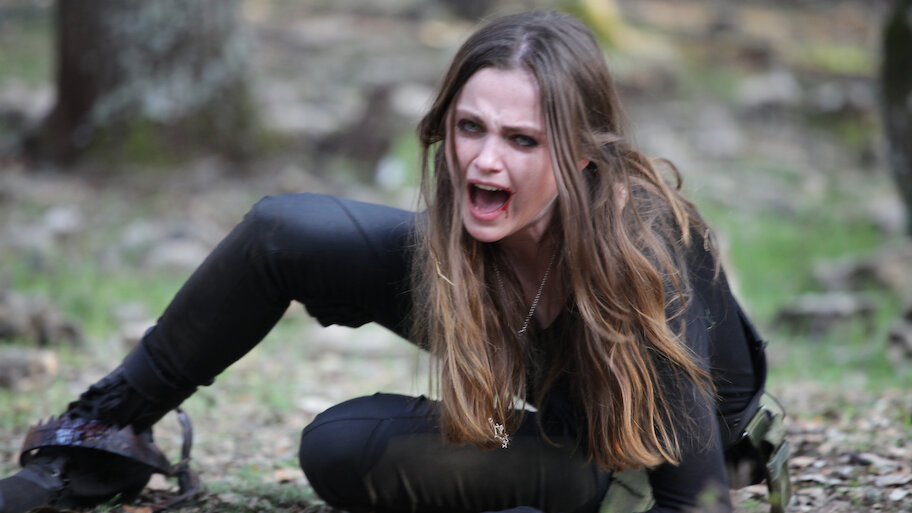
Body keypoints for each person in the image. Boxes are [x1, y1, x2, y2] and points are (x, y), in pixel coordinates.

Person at [0, 11, 784, 513]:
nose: (484, 161)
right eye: (470, 128)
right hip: (554, 385)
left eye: (522, 140)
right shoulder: (479, 225)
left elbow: (697, 497)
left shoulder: (643, 252)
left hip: (637, 457)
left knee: (341, 446)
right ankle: (99, 434)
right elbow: (297, 236)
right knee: (285, 230)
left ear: (583, 154)